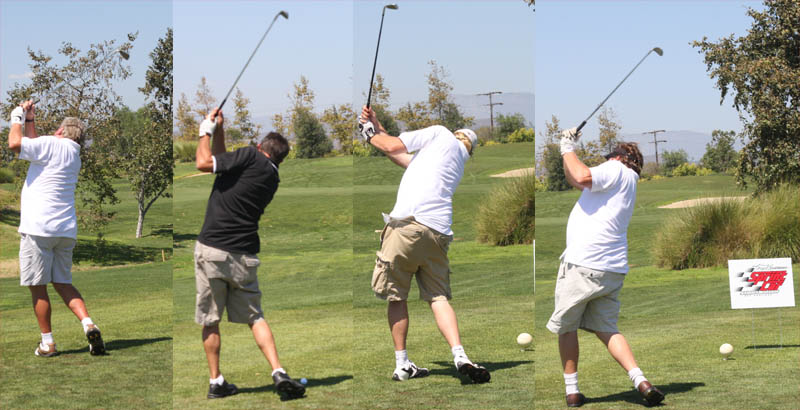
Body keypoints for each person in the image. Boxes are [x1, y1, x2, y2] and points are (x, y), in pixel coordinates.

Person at [358, 106, 490, 384]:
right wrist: (376, 127)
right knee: (438, 297)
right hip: (438, 233)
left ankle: (402, 365)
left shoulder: (440, 134)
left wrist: (369, 135)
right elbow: (399, 155)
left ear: (455, 134)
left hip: (406, 227)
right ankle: (460, 356)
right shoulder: (455, 162)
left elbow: (392, 145)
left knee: (397, 296)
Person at [546, 129, 664, 407]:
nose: (607, 160)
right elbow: (575, 179)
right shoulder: (629, 179)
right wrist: (567, 152)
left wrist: (567, 147)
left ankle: (572, 392)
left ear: (620, 157)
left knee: (567, 327)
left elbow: (581, 176)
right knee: (607, 328)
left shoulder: (615, 169)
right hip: (611, 268)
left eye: (610, 156)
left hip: (584, 263)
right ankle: (641, 381)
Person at [193, 108, 305, 399]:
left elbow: (204, 162)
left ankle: (216, 382)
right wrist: (220, 129)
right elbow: (223, 162)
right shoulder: (272, 176)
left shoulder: (250, 155)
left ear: (259, 146)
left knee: (210, 320)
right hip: (244, 256)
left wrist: (205, 131)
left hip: (212, 250)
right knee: (255, 317)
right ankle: (278, 371)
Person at [7, 100, 105, 357]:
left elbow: (15, 144)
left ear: (60, 130)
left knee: (38, 286)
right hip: (65, 230)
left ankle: (48, 343)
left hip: (38, 228)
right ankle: (89, 324)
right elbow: (35, 146)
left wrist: (17, 116)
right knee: (63, 282)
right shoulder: (74, 154)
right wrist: (31, 120)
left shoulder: (51, 144)